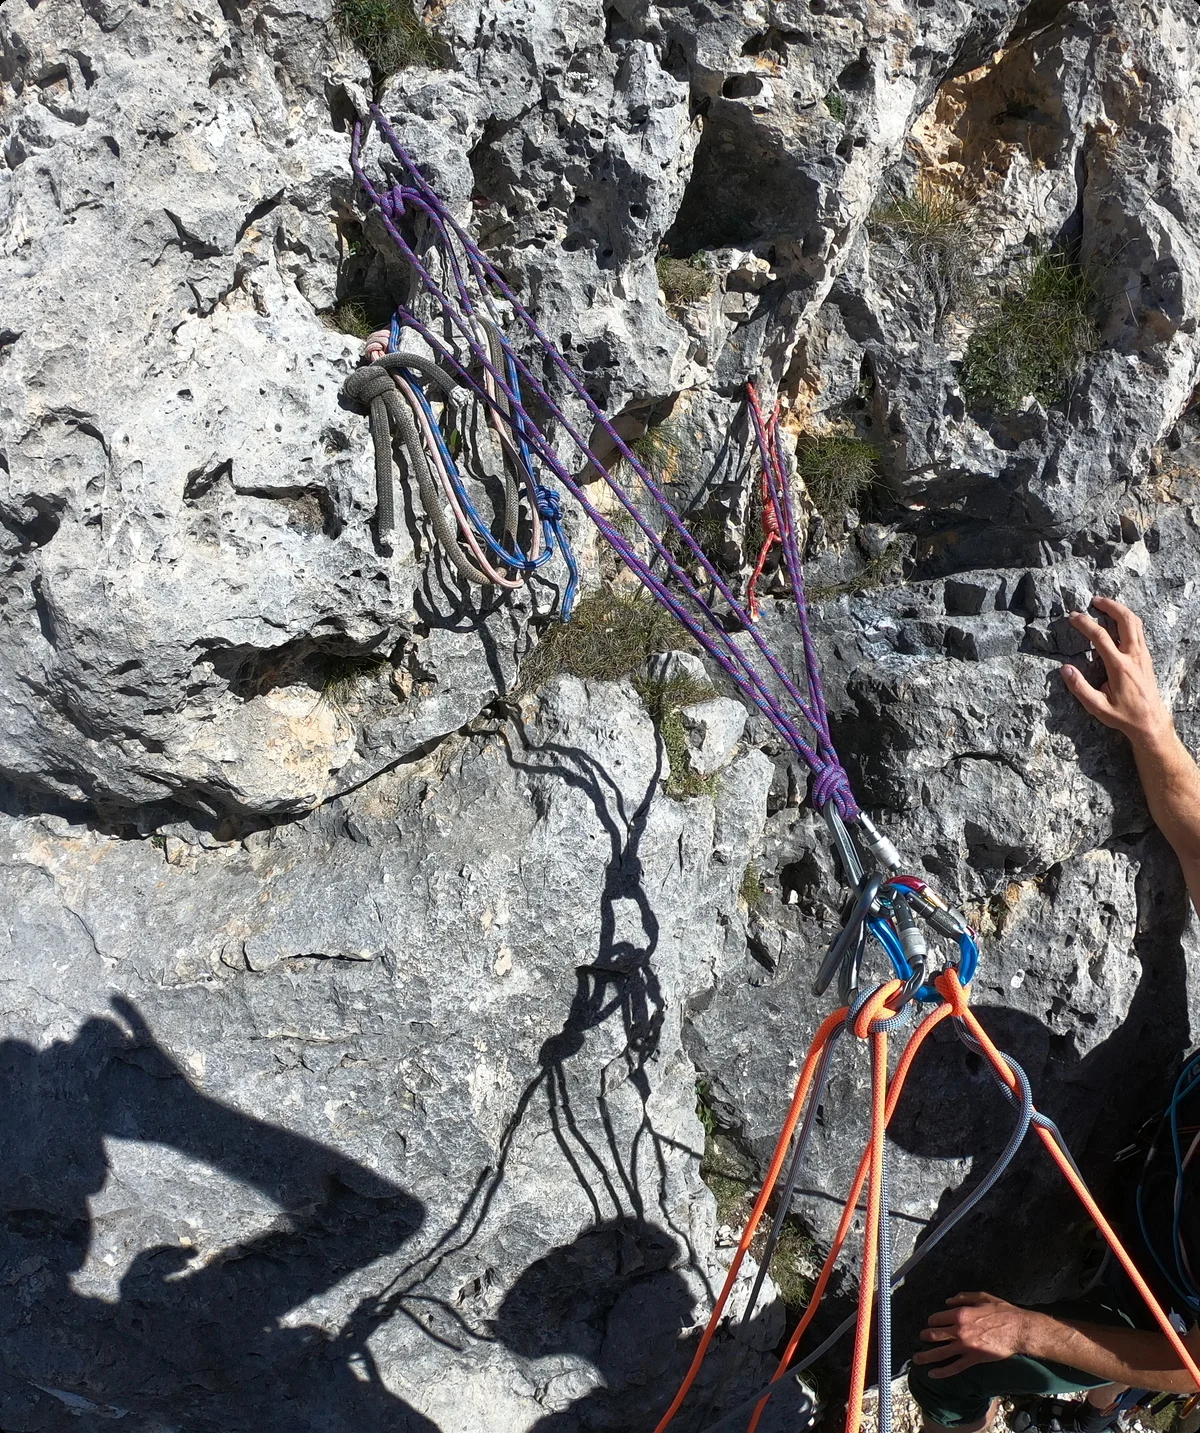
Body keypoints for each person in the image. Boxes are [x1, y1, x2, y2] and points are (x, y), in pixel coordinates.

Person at [907, 597, 1200, 1433]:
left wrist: (1031, 1329)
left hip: (1164, 1305)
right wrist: (1153, 731)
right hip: (1160, 1171)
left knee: (951, 1358)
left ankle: (1089, 1404)